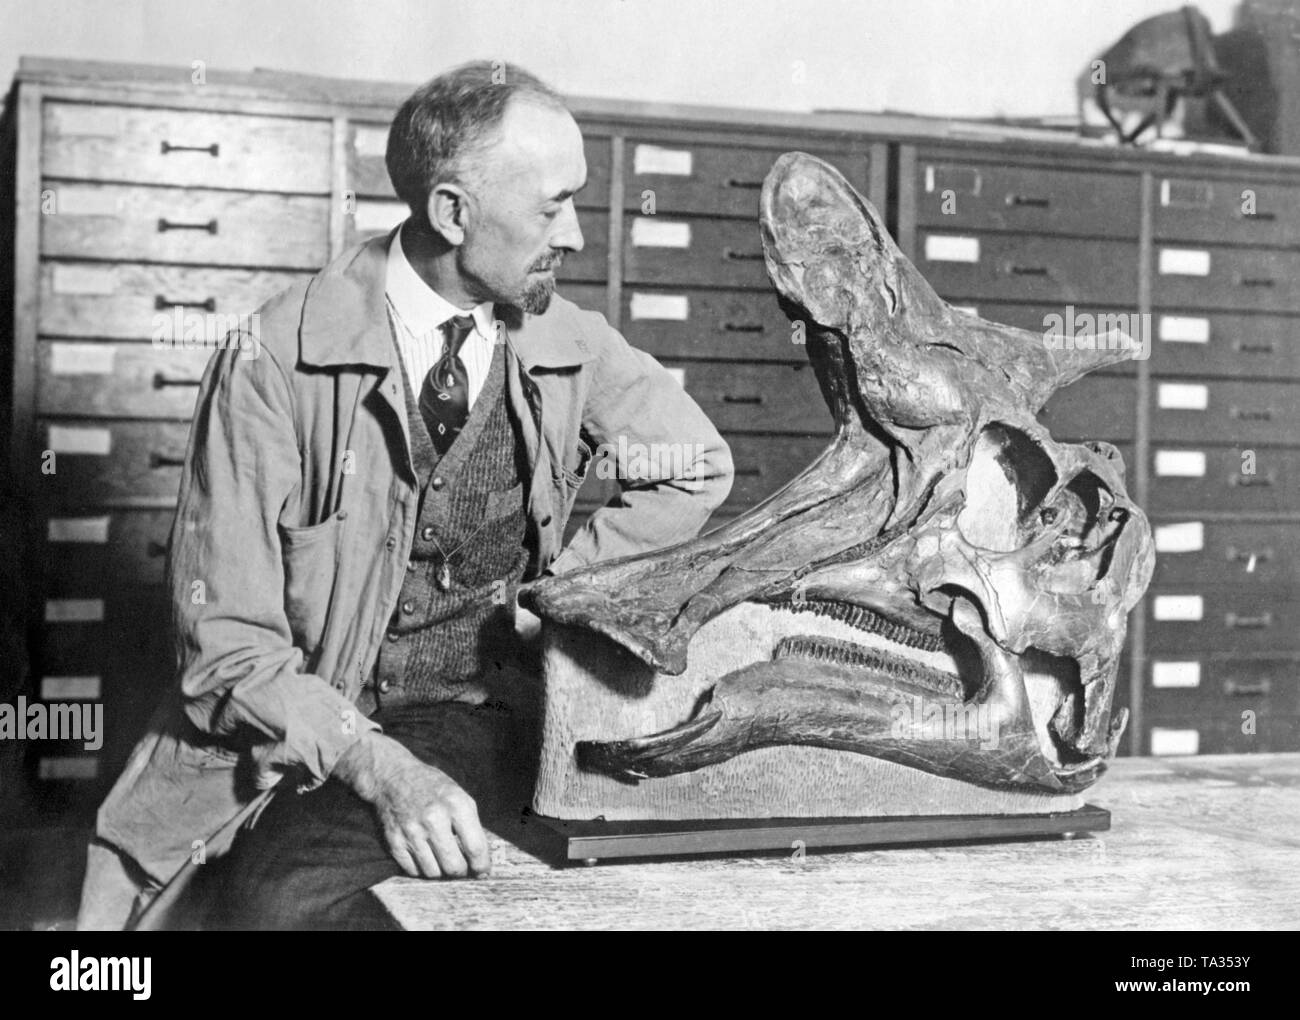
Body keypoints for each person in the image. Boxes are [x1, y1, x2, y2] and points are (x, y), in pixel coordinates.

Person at [76, 60, 733, 930]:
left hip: (494, 715)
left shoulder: (567, 338)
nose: (574, 233)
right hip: (320, 733)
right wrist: (381, 768)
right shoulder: (272, 360)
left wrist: (559, 598)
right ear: (453, 211)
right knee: (277, 904)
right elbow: (226, 653)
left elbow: (694, 462)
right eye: (550, 207)